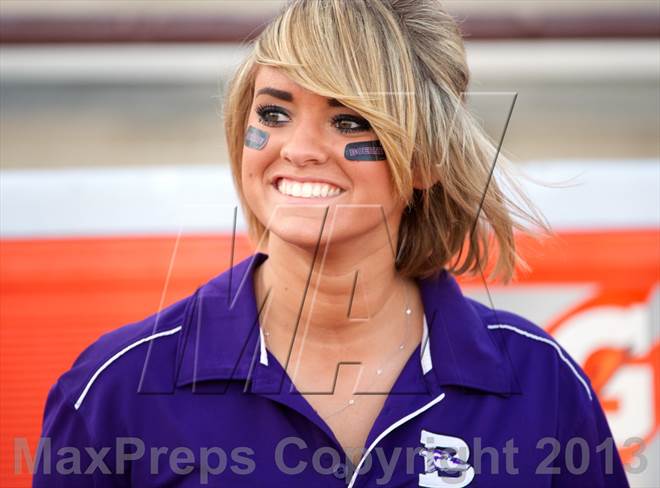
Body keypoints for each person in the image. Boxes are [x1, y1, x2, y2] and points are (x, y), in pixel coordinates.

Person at [34, 0, 629, 486]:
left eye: (350, 121)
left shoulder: (541, 380)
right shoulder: (114, 389)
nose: (298, 150)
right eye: (274, 114)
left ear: (425, 160)